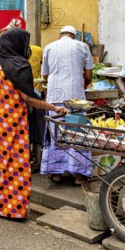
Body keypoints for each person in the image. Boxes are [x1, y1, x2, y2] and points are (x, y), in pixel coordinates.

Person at [0, 28, 68, 220]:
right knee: (16, 167)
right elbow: (29, 99)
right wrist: (54, 107)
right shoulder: (20, 66)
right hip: (15, 126)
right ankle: (14, 210)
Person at [40, 25, 94, 186]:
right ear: (74, 36)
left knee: (56, 133)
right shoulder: (82, 46)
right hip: (76, 98)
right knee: (77, 134)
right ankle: (78, 175)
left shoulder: (49, 47)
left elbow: (44, 75)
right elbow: (89, 74)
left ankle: (55, 173)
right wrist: (85, 83)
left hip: (54, 97)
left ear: (60, 35)